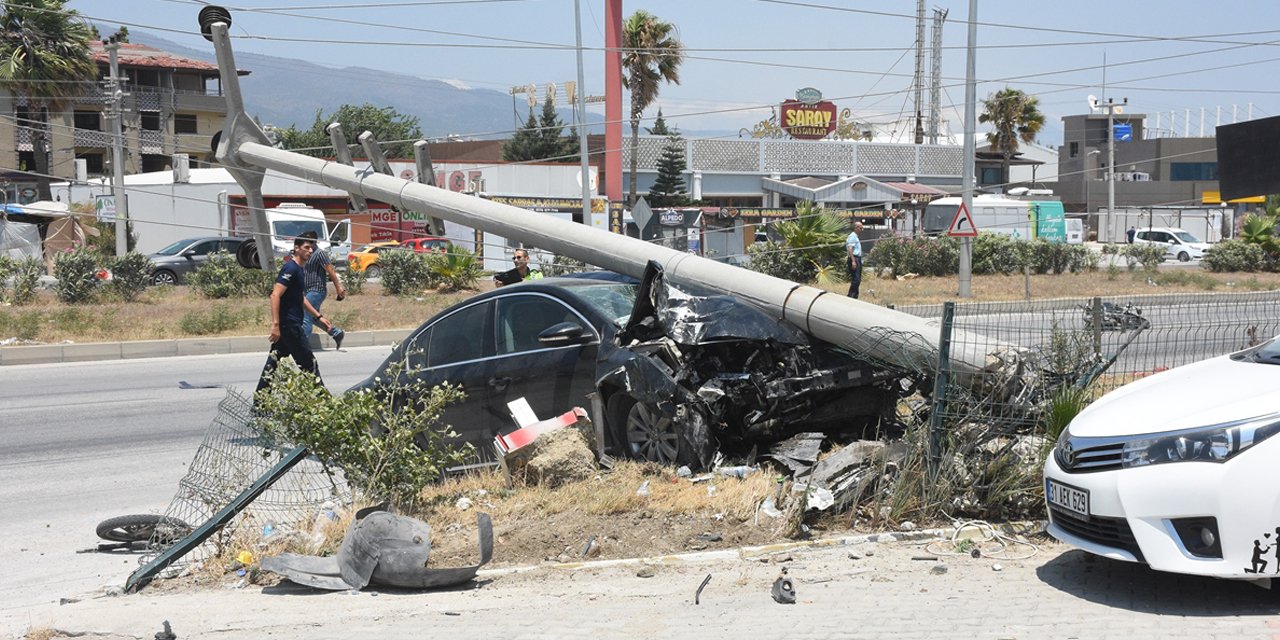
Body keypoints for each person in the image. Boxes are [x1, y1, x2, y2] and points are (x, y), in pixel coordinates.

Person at [255, 235, 333, 399]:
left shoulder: (300, 269)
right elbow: (275, 295)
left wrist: (318, 316)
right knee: (309, 364)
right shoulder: (290, 269)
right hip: (289, 326)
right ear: (296, 248)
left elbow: (300, 297)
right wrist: (275, 325)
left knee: (273, 363)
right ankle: (326, 402)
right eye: (306, 247)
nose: (310, 251)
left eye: (311, 248)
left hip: (288, 326)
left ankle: (259, 402)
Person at [297, 231, 346, 350]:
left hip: (317, 290)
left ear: (314, 241)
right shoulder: (307, 254)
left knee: (305, 316)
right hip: (306, 291)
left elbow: (331, 271)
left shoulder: (320, 254)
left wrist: (338, 287)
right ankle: (336, 333)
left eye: (309, 241)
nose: (308, 244)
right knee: (314, 317)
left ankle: (302, 346)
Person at [845, 221, 864, 299]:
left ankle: (855, 296)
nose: (862, 229)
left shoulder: (856, 236)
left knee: (858, 279)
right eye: (860, 228)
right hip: (854, 258)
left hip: (857, 259)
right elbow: (850, 249)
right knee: (856, 279)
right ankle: (851, 296)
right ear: (856, 228)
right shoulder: (852, 236)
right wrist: (853, 261)